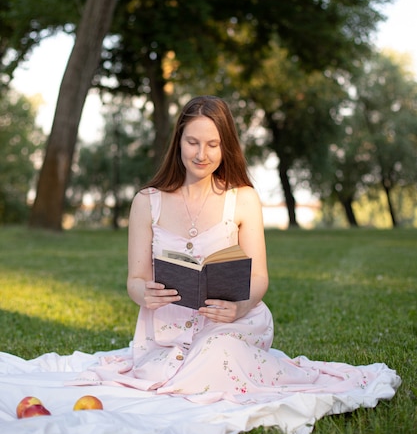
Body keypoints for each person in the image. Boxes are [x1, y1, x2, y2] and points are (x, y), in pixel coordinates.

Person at [81, 94, 398, 403]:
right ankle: (190, 374)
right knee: (173, 372)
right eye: (192, 142)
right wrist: (143, 293)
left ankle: (210, 370)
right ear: (178, 141)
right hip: (168, 331)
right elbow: (135, 280)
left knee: (218, 353)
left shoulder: (243, 198)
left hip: (232, 322)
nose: (201, 154)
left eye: (213, 144)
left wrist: (242, 307)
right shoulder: (146, 202)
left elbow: (259, 276)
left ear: (226, 146)